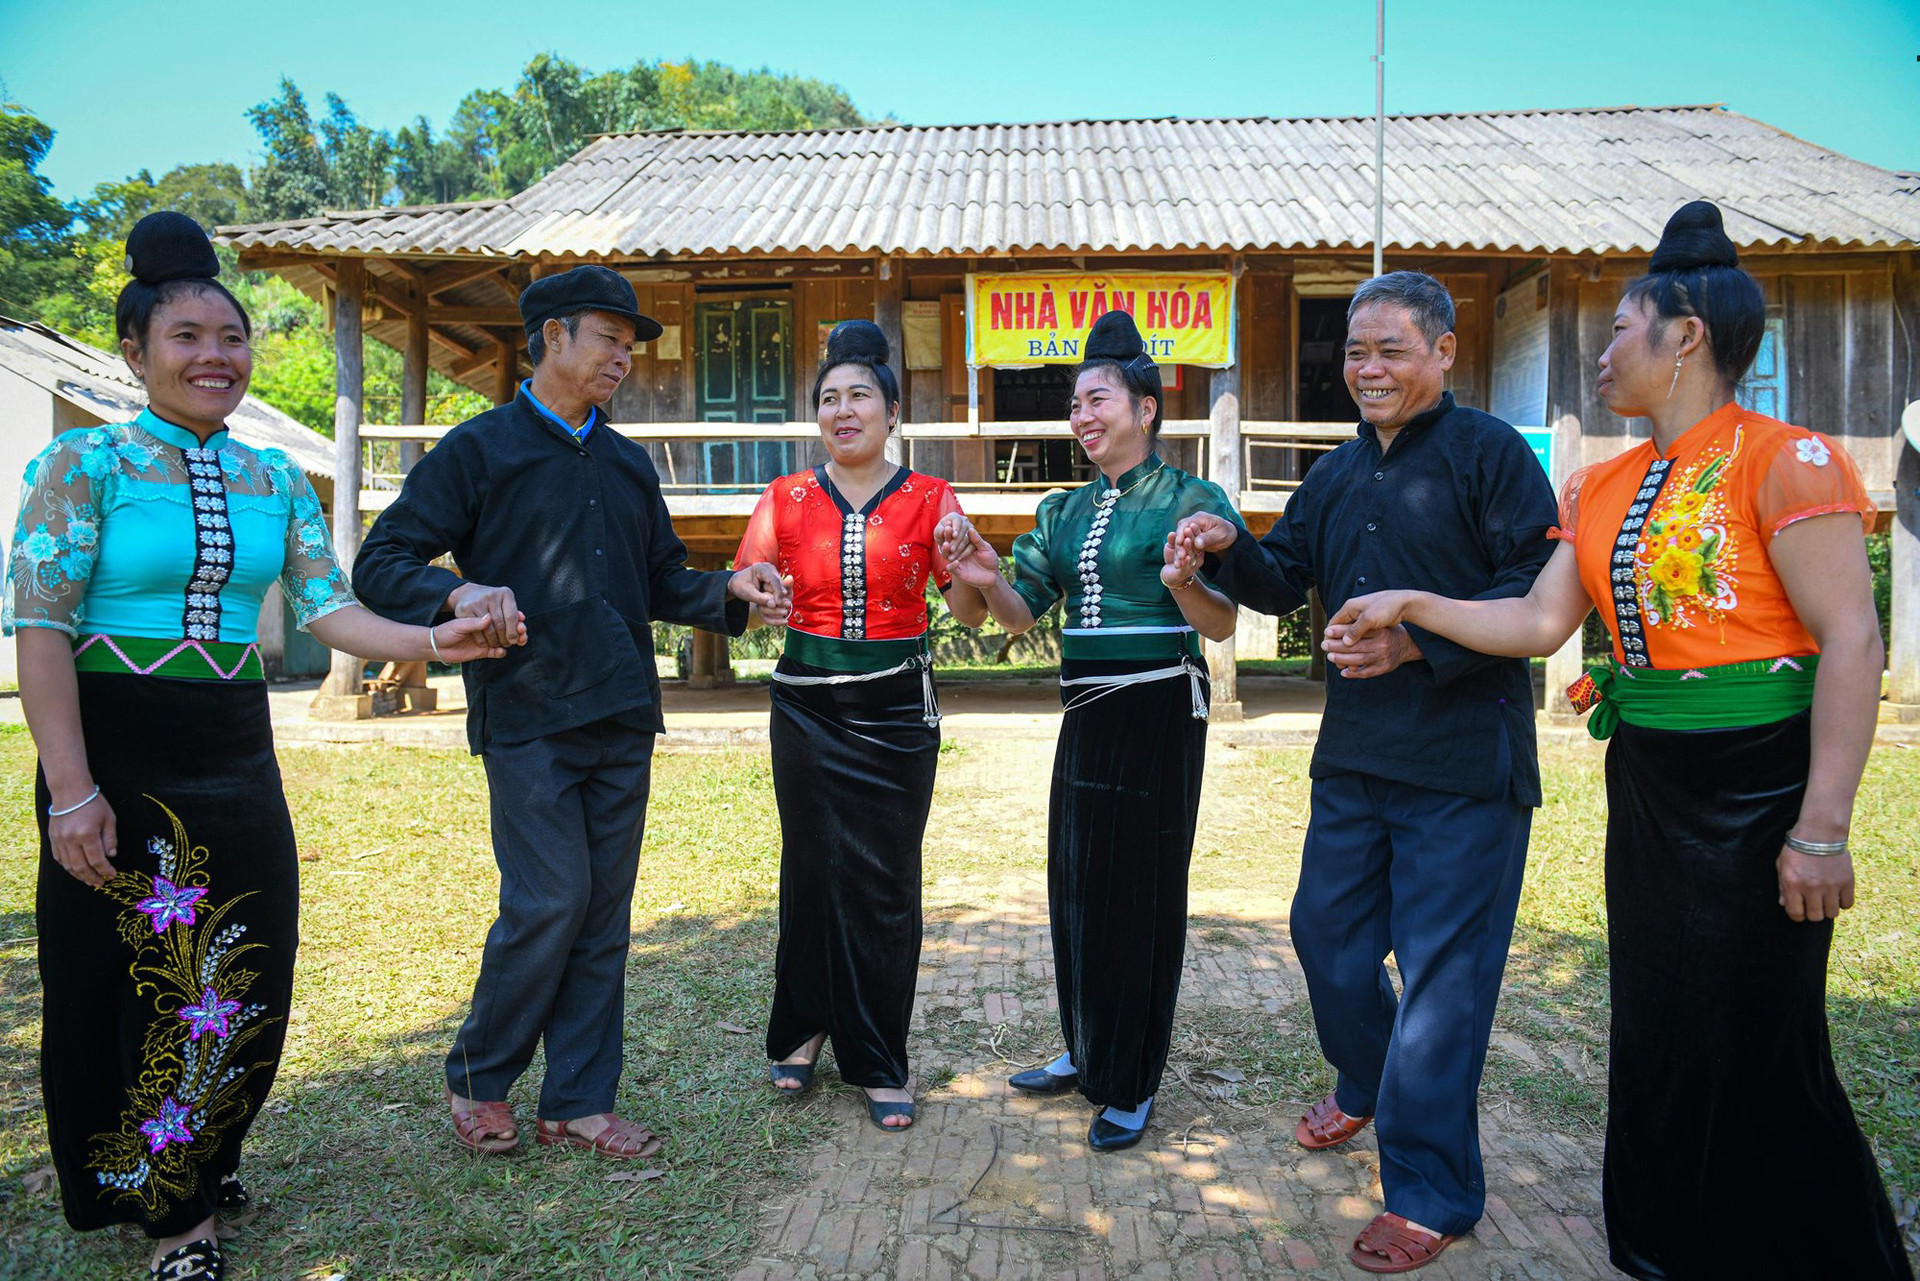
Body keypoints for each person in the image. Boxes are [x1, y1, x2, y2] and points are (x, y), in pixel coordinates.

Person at [1327, 204, 1911, 1281]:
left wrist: (1821, 828)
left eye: (1621, 329)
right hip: (1648, 779)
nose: (1600, 351)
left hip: (1761, 784)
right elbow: (1538, 625)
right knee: (1656, 1018)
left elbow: (1852, 639)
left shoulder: (1791, 461)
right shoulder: (1598, 485)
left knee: (1760, 1035)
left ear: (1684, 338)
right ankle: (1666, 1243)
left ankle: (1814, 1254)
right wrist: (1415, 602)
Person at [5, 213, 514, 1281]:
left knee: (240, 971)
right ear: (134, 353)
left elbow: (329, 609)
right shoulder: (79, 463)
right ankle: (172, 1213)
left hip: (235, 753)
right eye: (185, 337)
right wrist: (69, 791)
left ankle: (200, 1143)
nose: (215, 357)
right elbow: (42, 628)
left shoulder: (273, 477)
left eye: (230, 337)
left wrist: (437, 639)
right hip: (117, 754)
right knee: (128, 982)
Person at [352, 265, 787, 1164]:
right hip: (527, 715)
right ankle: (478, 1074)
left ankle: (579, 1100)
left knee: (603, 914)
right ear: (551, 336)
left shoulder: (629, 463)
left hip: (623, 711)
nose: (623, 354)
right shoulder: (478, 451)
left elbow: (664, 578)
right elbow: (383, 560)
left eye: (630, 342)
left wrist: (730, 590)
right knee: (550, 899)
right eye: (607, 335)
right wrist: (459, 591)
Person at [1172, 271, 1558, 1272]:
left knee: (1440, 982)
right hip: (1354, 757)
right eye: (1355, 351)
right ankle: (1366, 1077)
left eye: (1391, 349)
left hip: (1466, 767)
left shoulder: (1492, 456)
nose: (1368, 368)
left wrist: (1422, 643)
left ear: (1443, 354)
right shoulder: (1340, 473)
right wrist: (1224, 544)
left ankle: (1432, 1191)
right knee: (1327, 937)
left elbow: (1535, 592)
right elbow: (1278, 577)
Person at [936, 311, 1241, 1152]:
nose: (1082, 415)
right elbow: (1016, 612)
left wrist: (1182, 581)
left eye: (1098, 398)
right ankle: (1085, 1047)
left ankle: (1132, 1078)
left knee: (1140, 895)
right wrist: (981, 572)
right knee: (1076, 885)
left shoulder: (1191, 499)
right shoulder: (1063, 509)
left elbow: (1219, 626)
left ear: (1146, 408)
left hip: (1156, 710)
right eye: (1074, 403)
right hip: (1087, 714)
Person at [742, 321, 1018, 1131]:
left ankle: (878, 1053)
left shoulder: (932, 498)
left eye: (860, 394)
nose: (843, 409)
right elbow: (749, 591)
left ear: (893, 411)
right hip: (803, 704)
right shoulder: (785, 496)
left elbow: (967, 612)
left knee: (886, 880)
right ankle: (801, 1028)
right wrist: (753, 592)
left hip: (897, 709)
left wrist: (970, 570)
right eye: (828, 398)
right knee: (811, 869)